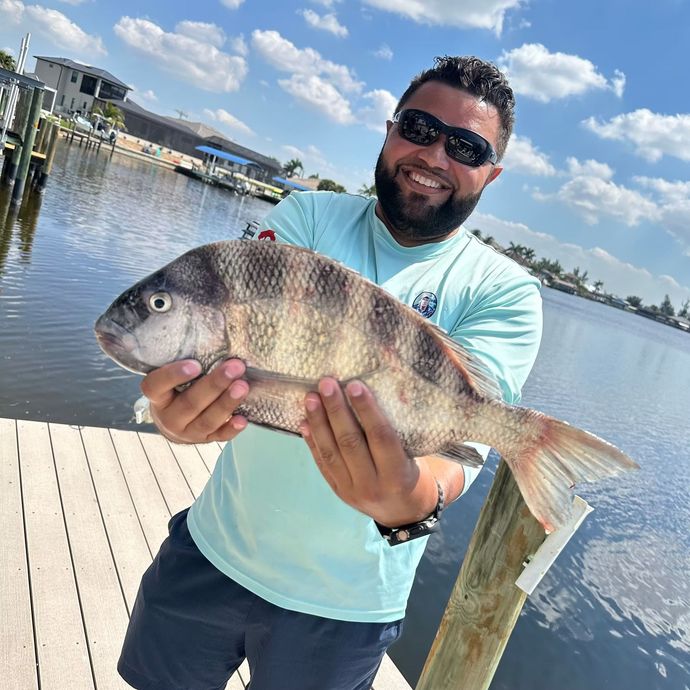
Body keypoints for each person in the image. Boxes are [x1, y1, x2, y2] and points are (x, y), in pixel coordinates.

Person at [117, 55, 543, 690]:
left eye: (466, 145)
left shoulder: (503, 291)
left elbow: (466, 445)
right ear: (391, 127)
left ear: (492, 172)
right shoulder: (307, 219)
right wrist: (178, 410)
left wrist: (410, 500)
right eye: (419, 127)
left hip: (346, 608)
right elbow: (223, 345)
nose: (433, 155)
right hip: (213, 550)